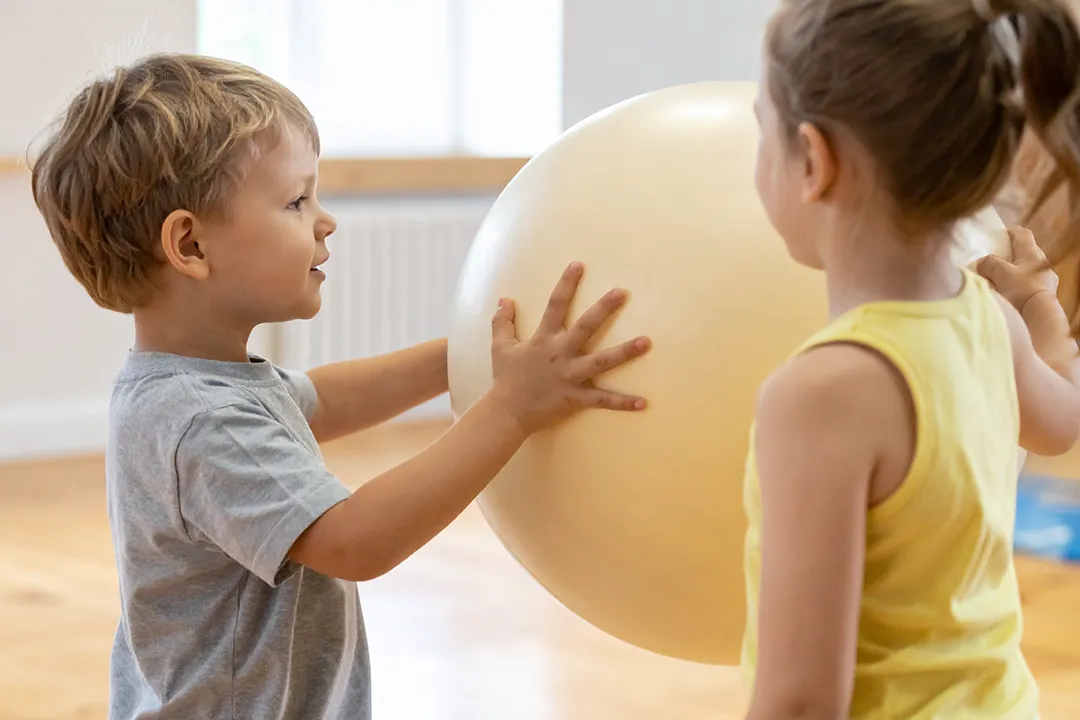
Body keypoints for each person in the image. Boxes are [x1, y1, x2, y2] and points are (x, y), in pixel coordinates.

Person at [29, 53, 652, 719]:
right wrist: (510, 409)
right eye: (297, 201)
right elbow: (356, 541)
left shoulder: (191, 384)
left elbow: (326, 400)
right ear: (191, 246)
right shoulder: (201, 417)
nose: (326, 221)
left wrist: (467, 355)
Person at [741, 1, 1080, 718]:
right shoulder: (992, 322)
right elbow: (1062, 422)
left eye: (760, 128)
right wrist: (1046, 318)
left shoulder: (822, 393)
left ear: (814, 161)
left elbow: (801, 703)